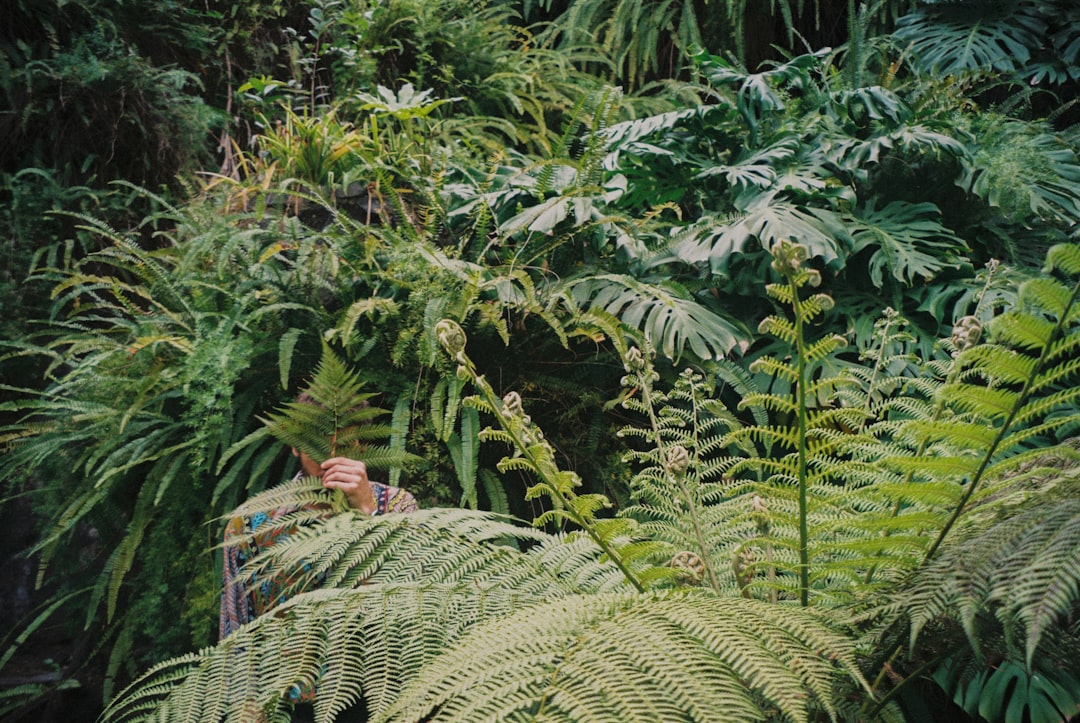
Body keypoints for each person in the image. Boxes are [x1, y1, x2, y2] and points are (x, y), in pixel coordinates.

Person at [219, 446, 419, 640]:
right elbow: (236, 640)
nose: (330, 456)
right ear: (295, 445)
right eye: (317, 445)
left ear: (360, 445)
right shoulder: (248, 526)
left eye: (343, 443)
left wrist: (368, 514)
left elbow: (409, 614)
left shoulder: (397, 507)